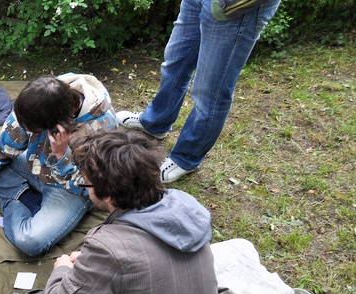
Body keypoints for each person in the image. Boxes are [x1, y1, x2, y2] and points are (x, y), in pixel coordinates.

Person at [14, 130, 219, 294]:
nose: (85, 189)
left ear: (108, 196)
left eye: (86, 185)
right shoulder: (185, 205)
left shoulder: (108, 248)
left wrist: (62, 268)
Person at [0, 74, 118, 256]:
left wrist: (62, 155)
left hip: (69, 189)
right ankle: (23, 195)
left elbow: (90, 188)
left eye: (32, 129)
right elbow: (1, 147)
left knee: (30, 241)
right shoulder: (37, 101)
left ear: (59, 125)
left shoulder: (101, 128)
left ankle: (14, 196)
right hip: (35, 164)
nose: (25, 129)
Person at [116, 0, 281, 182]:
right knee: (175, 63)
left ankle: (186, 157)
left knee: (211, 90)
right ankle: (156, 121)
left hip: (235, 6)